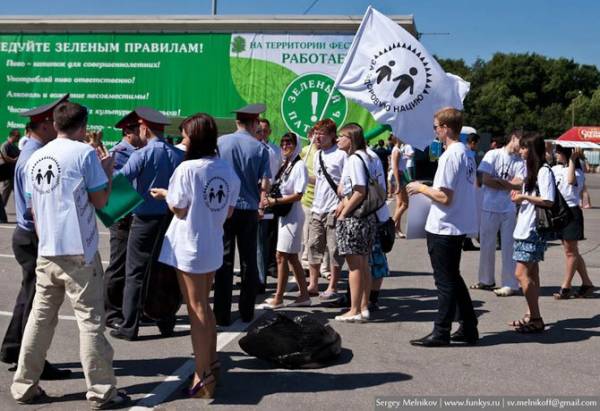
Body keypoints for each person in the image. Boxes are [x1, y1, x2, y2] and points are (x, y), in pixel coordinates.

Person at [11, 101, 129, 408]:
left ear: (56, 122)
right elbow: (102, 201)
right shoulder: (84, 153)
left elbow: (32, 207)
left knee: (40, 319)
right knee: (90, 322)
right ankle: (102, 391)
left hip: (47, 248)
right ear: (83, 125)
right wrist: (106, 172)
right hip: (79, 250)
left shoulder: (37, 156)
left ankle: (24, 385)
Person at [151, 113, 240, 399]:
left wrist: (165, 194)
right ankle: (210, 364)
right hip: (212, 242)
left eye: (186, 135)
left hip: (190, 244)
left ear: (196, 138)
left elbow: (178, 208)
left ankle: (204, 376)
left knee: (196, 309)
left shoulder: (188, 169)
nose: (182, 139)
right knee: (204, 308)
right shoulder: (226, 169)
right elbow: (228, 210)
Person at [1, 95, 71, 380]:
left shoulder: (30, 151)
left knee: (29, 295)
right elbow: (35, 206)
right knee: (38, 302)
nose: (57, 128)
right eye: (53, 123)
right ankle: (30, 361)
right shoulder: (35, 157)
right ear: (43, 126)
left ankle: (12, 348)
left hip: (27, 235)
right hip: (34, 236)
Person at [406, 108, 479, 347]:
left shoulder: (451, 155)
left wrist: (420, 187)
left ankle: (441, 331)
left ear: (446, 128)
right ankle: (468, 326)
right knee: (453, 278)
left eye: (436, 126)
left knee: (445, 282)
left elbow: (445, 196)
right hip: (455, 224)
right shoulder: (466, 153)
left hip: (445, 226)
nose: (435, 131)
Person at [110, 107, 184, 341]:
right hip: (170, 217)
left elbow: (119, 180)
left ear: (144, 128)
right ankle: (166, 319)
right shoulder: (177, 154)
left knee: (136, 272)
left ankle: (129, 325)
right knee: (165, 270)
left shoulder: (141, 154)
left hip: (144, 218)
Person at [214, 103, 271, 326]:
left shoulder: (221, 142)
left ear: (237, 122)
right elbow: (264, 182)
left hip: (225, 208)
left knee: (224, 260)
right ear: (255, 123)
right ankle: (247, 310)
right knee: (249, 261)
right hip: (248, 208)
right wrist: (262, 199)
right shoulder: (259, 148)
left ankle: (221, 313)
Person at [509, 133, 554, 334]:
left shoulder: (544, 171)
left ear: (533, 150)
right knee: (532, 274)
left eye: (525, 148)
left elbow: (548, 200)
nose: (521, 151)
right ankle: (531, 314)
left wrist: (524, 197)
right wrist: (520, 196)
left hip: (533, 229)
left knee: (520, 274)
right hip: (525, 227)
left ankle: (536, 318)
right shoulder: (531, 171)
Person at [258, 132, 310, 308]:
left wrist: (275, 201)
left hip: (293, 215)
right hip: (284, 215)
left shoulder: (299, 165)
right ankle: (304, 295)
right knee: (292, 257)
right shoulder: (286, 164)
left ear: (296, 146)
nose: (285, 146)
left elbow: (299, 194)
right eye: (283, 143)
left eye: (289, 143)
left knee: (281, 256)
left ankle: (278, 298)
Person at [471, 131, 525, 296]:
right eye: (520, 143)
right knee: (486, 245)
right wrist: (508, 184)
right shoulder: (493, 154)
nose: (521, 148)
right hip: (489, 206)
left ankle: (510, 283)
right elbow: (485, 179)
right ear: (513, 138)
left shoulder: (519, 161)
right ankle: (486, 280)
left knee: (509, 247)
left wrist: (500, 182)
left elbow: (519, 183)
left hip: (508, 208)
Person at [334, 123, 378, 323]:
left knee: (355, 265)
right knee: (364, 262)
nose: (337, 140)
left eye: (341, 136)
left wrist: (345, 211)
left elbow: (359, 190)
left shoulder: (354, 159)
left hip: (356, 218)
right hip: (368, 216)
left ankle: (354, 309)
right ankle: (363, 306)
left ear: (350, 139)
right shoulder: (368, 156)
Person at [103, 118, 144, 330]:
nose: (143, 133)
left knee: (132, 264)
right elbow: (115, 184)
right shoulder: (118, 153)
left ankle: (130, 308)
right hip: (122, 214)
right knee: (118, 263)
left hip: (136, 213)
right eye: (140, 130)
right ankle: (111, 312)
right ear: (129, 132)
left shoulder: (140, 150)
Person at [306, 119, 346, 301]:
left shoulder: (341, 155)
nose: (317, 137)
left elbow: (346, 183)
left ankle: (333, 286)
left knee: (334, 249)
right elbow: (319, 180)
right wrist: (304, 177)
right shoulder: (317, 155)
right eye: (315, 133)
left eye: (321, 133)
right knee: (314, 246)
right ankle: (313, 284)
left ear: (332, 135)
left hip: (333, 209)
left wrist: (342, 204)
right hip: (317, 207)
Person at [552, 146, 595, 299]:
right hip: (559, 212)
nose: (556, 154)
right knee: (572, 251)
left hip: (572, 212)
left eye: (559, 152)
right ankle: (587, 283)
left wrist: (573, 160)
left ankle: (566, 286)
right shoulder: (555, 168)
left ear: (567, 154)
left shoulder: (578, 172)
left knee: (570, 252)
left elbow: (571, 181)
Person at [366, 146, 392, 313]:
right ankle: (367, 298)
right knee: (366, 261)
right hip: (372, 215)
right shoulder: (366, 157)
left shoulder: (368, 158)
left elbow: (376, 188)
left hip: (372, 216)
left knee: (374, 261)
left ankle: (371, 299)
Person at [256, 118, 281, 293]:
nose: (262, 133)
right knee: (256, 241)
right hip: (254, 194)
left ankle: (260, 278)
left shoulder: (274, 151)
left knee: (264, 239)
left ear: (269, 132)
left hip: (267, 195)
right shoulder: (253, 148)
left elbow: (276, 174)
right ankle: (256, 275)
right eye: (259, 130)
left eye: (265, 130)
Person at [0, 128, 21, 218]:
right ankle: (1, 212)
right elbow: (3, 157)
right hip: (6, 173)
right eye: (18, 137)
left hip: (13, 173)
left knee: (17, 194)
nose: (19, 139)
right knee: (5, 193)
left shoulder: (14, 146)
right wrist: (13, 160)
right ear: (13, 136)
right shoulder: (5, 145)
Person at [391, 136, 408, 238]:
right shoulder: (396, 150)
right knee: (405, 204)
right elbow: (395, 168)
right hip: (399, 177)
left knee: (399, 204)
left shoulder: (398, 149)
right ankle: (391, 225)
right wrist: (398, 183)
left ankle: (397, 229)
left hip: (400, 176)